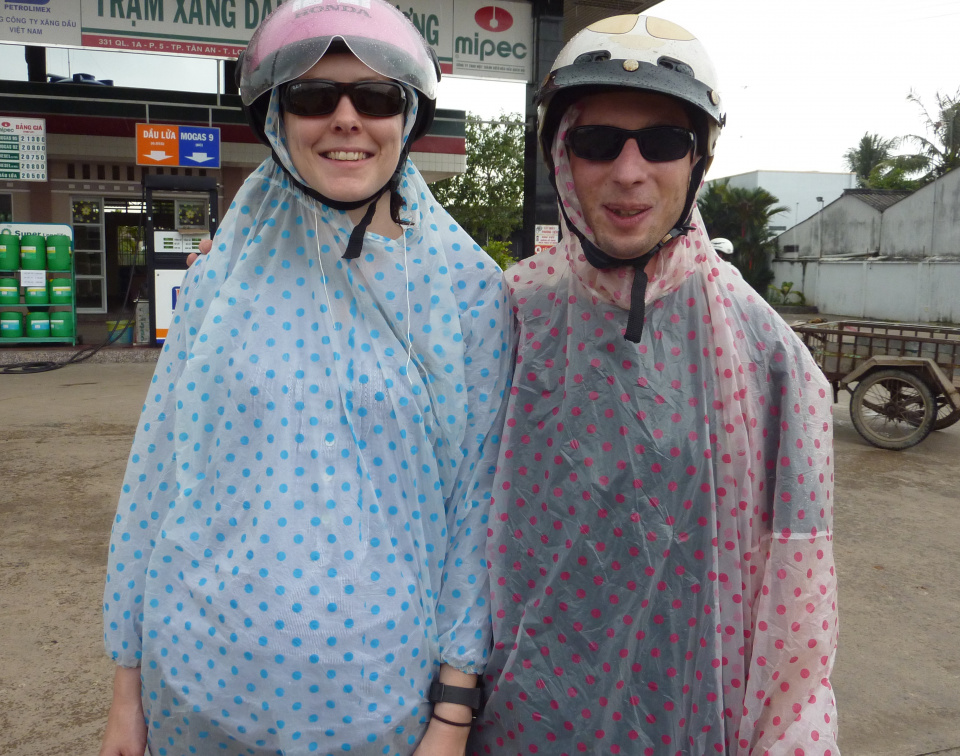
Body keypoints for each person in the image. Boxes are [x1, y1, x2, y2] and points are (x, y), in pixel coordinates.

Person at [99, 1, 512, 754]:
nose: (346, 118)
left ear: (408, 116)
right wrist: (127, 690)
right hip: (194, 694)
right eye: (314, 97)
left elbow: (476, 511)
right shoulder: (224, 275)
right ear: (277, 119)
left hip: (377, 711)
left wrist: (453, 713)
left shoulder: (466, 293)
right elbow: (156, 474)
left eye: (377, 97)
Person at [467, 15, 839, 755]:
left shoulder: (769, 355)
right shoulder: (508, 315)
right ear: (561, 156)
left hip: (689, 724)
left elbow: (798, 602)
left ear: (699, 159)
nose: (630, 171)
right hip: (521, 724)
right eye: (598, 142)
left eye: (664, 142)